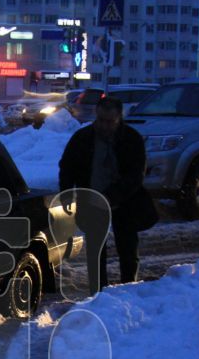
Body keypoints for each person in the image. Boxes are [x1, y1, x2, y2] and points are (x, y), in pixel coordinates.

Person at [57, 95, 149, 293]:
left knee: (127, 249)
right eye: (101, 120)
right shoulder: (83, 138)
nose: (104, 126)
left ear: (119, 119)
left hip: (124, 202)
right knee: (96, 252)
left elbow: (135, 175)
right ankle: (98, 292)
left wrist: (113, 196)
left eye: (110, 121)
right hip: (91, 201)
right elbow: (67, 167)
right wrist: (66, 193)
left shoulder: (131, 139)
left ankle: (129, 289)